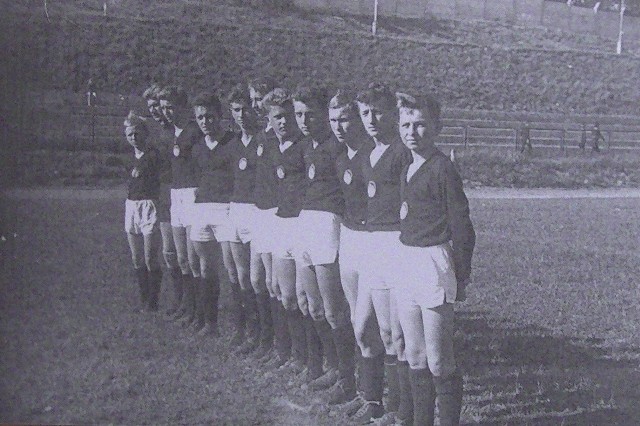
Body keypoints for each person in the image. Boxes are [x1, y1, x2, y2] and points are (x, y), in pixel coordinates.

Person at [395, 92, 475, 426]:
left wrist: (462, 274)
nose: (412, 132)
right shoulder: (407, 165)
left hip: (434, 263)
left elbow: (463, 228)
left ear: (437, 127)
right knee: (414, 355)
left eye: (420, 125)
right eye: (406, 125)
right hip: (407, 259)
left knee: (439, 360)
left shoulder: (443, 169)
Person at [352, 82, 411, 424]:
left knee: (392, 334)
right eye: (365, 113)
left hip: (394, 244)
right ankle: (371, 400)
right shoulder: (367, 152)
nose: (371, 119)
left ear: (392, 114)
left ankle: (397, 410)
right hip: (371, 244)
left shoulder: (402, 152)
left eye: (378, 112)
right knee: (362, 328)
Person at [293, 84, 351, 390]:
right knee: (311, 305)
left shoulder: (337, 147)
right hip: (306, 221)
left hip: (328, 223)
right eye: (299, 115)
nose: (304, 121)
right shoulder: (305, 147)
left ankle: (345, 375)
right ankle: (329, 366)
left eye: (311, 114)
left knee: (333, 308)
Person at [329, 89, 372, 407]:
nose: (338, 126)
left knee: (372, 323)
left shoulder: (374, 153)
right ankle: (357, 387)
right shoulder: (341, 156)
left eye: (344, 119)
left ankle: (375, 396)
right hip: (350, 237)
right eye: (333, 120)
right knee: (356, 319)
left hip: (375, 242)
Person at [263, 87, 310, 375]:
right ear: (269, 119)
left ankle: (311, 360)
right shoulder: (270, 147)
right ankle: (291, 352)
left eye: (287, 116)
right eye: (277, 117)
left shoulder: (305, 146)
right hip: (278, 223)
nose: (283, 122)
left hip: (302, 224)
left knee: (305, 298)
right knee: (283, 293)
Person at [225, 84, 274, 357]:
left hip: (258, 213)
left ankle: (267, 337)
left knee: (258, 278)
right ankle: (247, 330)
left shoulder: (264, 140)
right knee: (239, 275)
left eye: (247, 108)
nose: (243, 115)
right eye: (236, 110)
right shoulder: (233, 143)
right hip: (235, 210)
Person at [188, 92, 238, 337]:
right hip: (201, 209)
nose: (205, 121)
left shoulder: (233, 142)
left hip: (226, 209)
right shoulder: (197, 147)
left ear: (220, 116)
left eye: (209, 116)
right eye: (200, 117)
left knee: (233, 269)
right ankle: (210, 322)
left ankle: (243, 328)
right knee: (206, 267)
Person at [158, 86, 202, 327]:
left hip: (192, 194)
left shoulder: (194, 132)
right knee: (181, 258)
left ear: (182, 107)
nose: (167, 112)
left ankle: (198, 310)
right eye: (164, 107)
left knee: (193, 258)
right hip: (176, 196)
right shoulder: (169, 133)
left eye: (171, 107)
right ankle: (186, 305)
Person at [142, 84, 181, 318]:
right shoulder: (155, 133)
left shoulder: (177, 131)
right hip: (163, 194)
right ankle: (179, 299)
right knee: (169, 252)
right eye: (151, 107)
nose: (156, 111)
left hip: (181, 194)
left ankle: (187, 301)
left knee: (184, 252)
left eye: (158, 106)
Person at [122, 111, 163, 312]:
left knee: (150, 258)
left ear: (145, 134)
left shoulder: (154, 155)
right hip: (131, 206)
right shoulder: (129, 157)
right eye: (130, 135)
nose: (133, 138)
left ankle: (153, 302)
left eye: (137, 134)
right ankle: (144, 299)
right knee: (136, 258)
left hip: (149, 206)